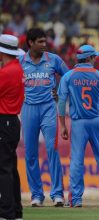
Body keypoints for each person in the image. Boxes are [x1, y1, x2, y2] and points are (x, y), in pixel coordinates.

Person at [57, 45, 99, 207]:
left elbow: (61, 103)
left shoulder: (68, 76)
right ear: (88, 58)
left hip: (78, 122)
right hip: (96, 120)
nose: (95, 59)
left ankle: (76, 199)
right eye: (94, 57)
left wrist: (62, 125)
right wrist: (97, 108)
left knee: (76, 159)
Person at [20, 27, 68, 207]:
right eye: (40, 41)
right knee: (30, 154)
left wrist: (60, 93)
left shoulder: (53, 59)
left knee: (52, 150)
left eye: (44, 41)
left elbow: (68, 76)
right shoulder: (20, 61)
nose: (44, 44)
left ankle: (57, 194)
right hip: (28, 110)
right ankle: (37, 195)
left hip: (49, 109)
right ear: (30, 43)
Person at [0, 34, 25, 220]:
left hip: (5, 120)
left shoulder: (7, 72)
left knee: (4, 168)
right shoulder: (17, 68)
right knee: (10, 167)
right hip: (12, 120)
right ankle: (15, 211)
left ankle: (7, 212)